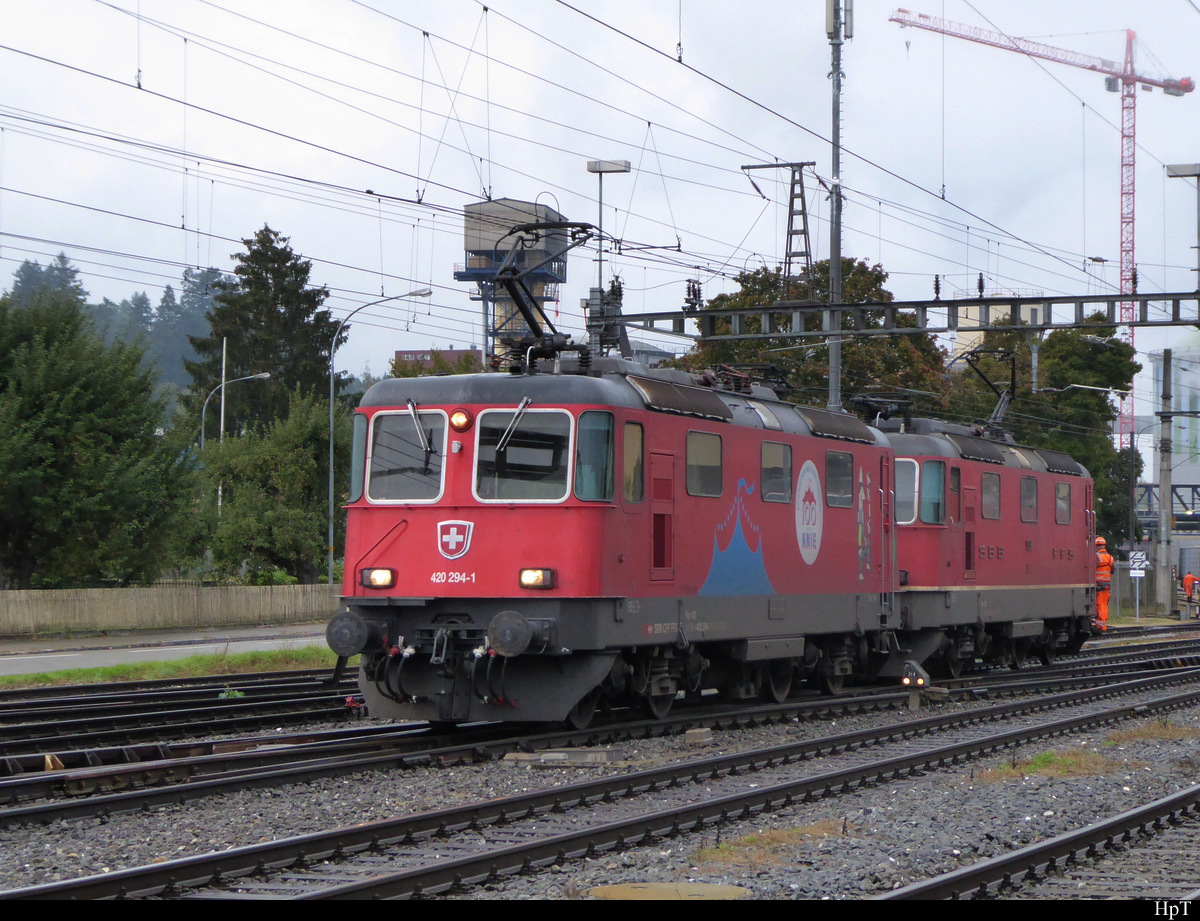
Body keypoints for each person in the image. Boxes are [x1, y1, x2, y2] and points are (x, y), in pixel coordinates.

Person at [1094, 536, 1113, 632]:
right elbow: (1112, 572)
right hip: (1107, 585)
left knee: (1100, 605)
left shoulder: (1096, 557)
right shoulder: (1110, 558)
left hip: (1098, 585)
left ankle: (1100, 626)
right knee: (1104, 605)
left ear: (1097, 546)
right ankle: (1102, 624)